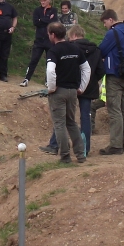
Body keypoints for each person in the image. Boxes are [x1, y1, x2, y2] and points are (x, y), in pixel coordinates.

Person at [45, 22, 91, 163]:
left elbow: (50, 71)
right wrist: (81, 87)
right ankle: (81, 155)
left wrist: (51, 88)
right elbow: (86, 69)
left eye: (49, 34)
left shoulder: (53, 51)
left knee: (59, 124)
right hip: (73, 91)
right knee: (71, 123)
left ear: (53, 35)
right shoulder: (75, 48)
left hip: (59, 91)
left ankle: (65, 156)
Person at [97, 9, 124, 155]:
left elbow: (101, 50)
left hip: (114, 73)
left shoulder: (112, 33)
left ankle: (116, 144)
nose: (105, 25)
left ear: (111, 20)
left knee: (114, 109)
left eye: (105, 22)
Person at [21, 0, 58, 87]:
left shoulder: (53, 10)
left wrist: (41, 20)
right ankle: (26, 79)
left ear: (49, 0)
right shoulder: (37, 10)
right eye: (41, 1)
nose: (43, 2)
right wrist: (46, 19)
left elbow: (53, 22)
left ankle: (47, 81)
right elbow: (35, 22)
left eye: (44, 1)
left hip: (49, 40)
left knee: (49, 61)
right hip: (39, 40)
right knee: (34, 59)